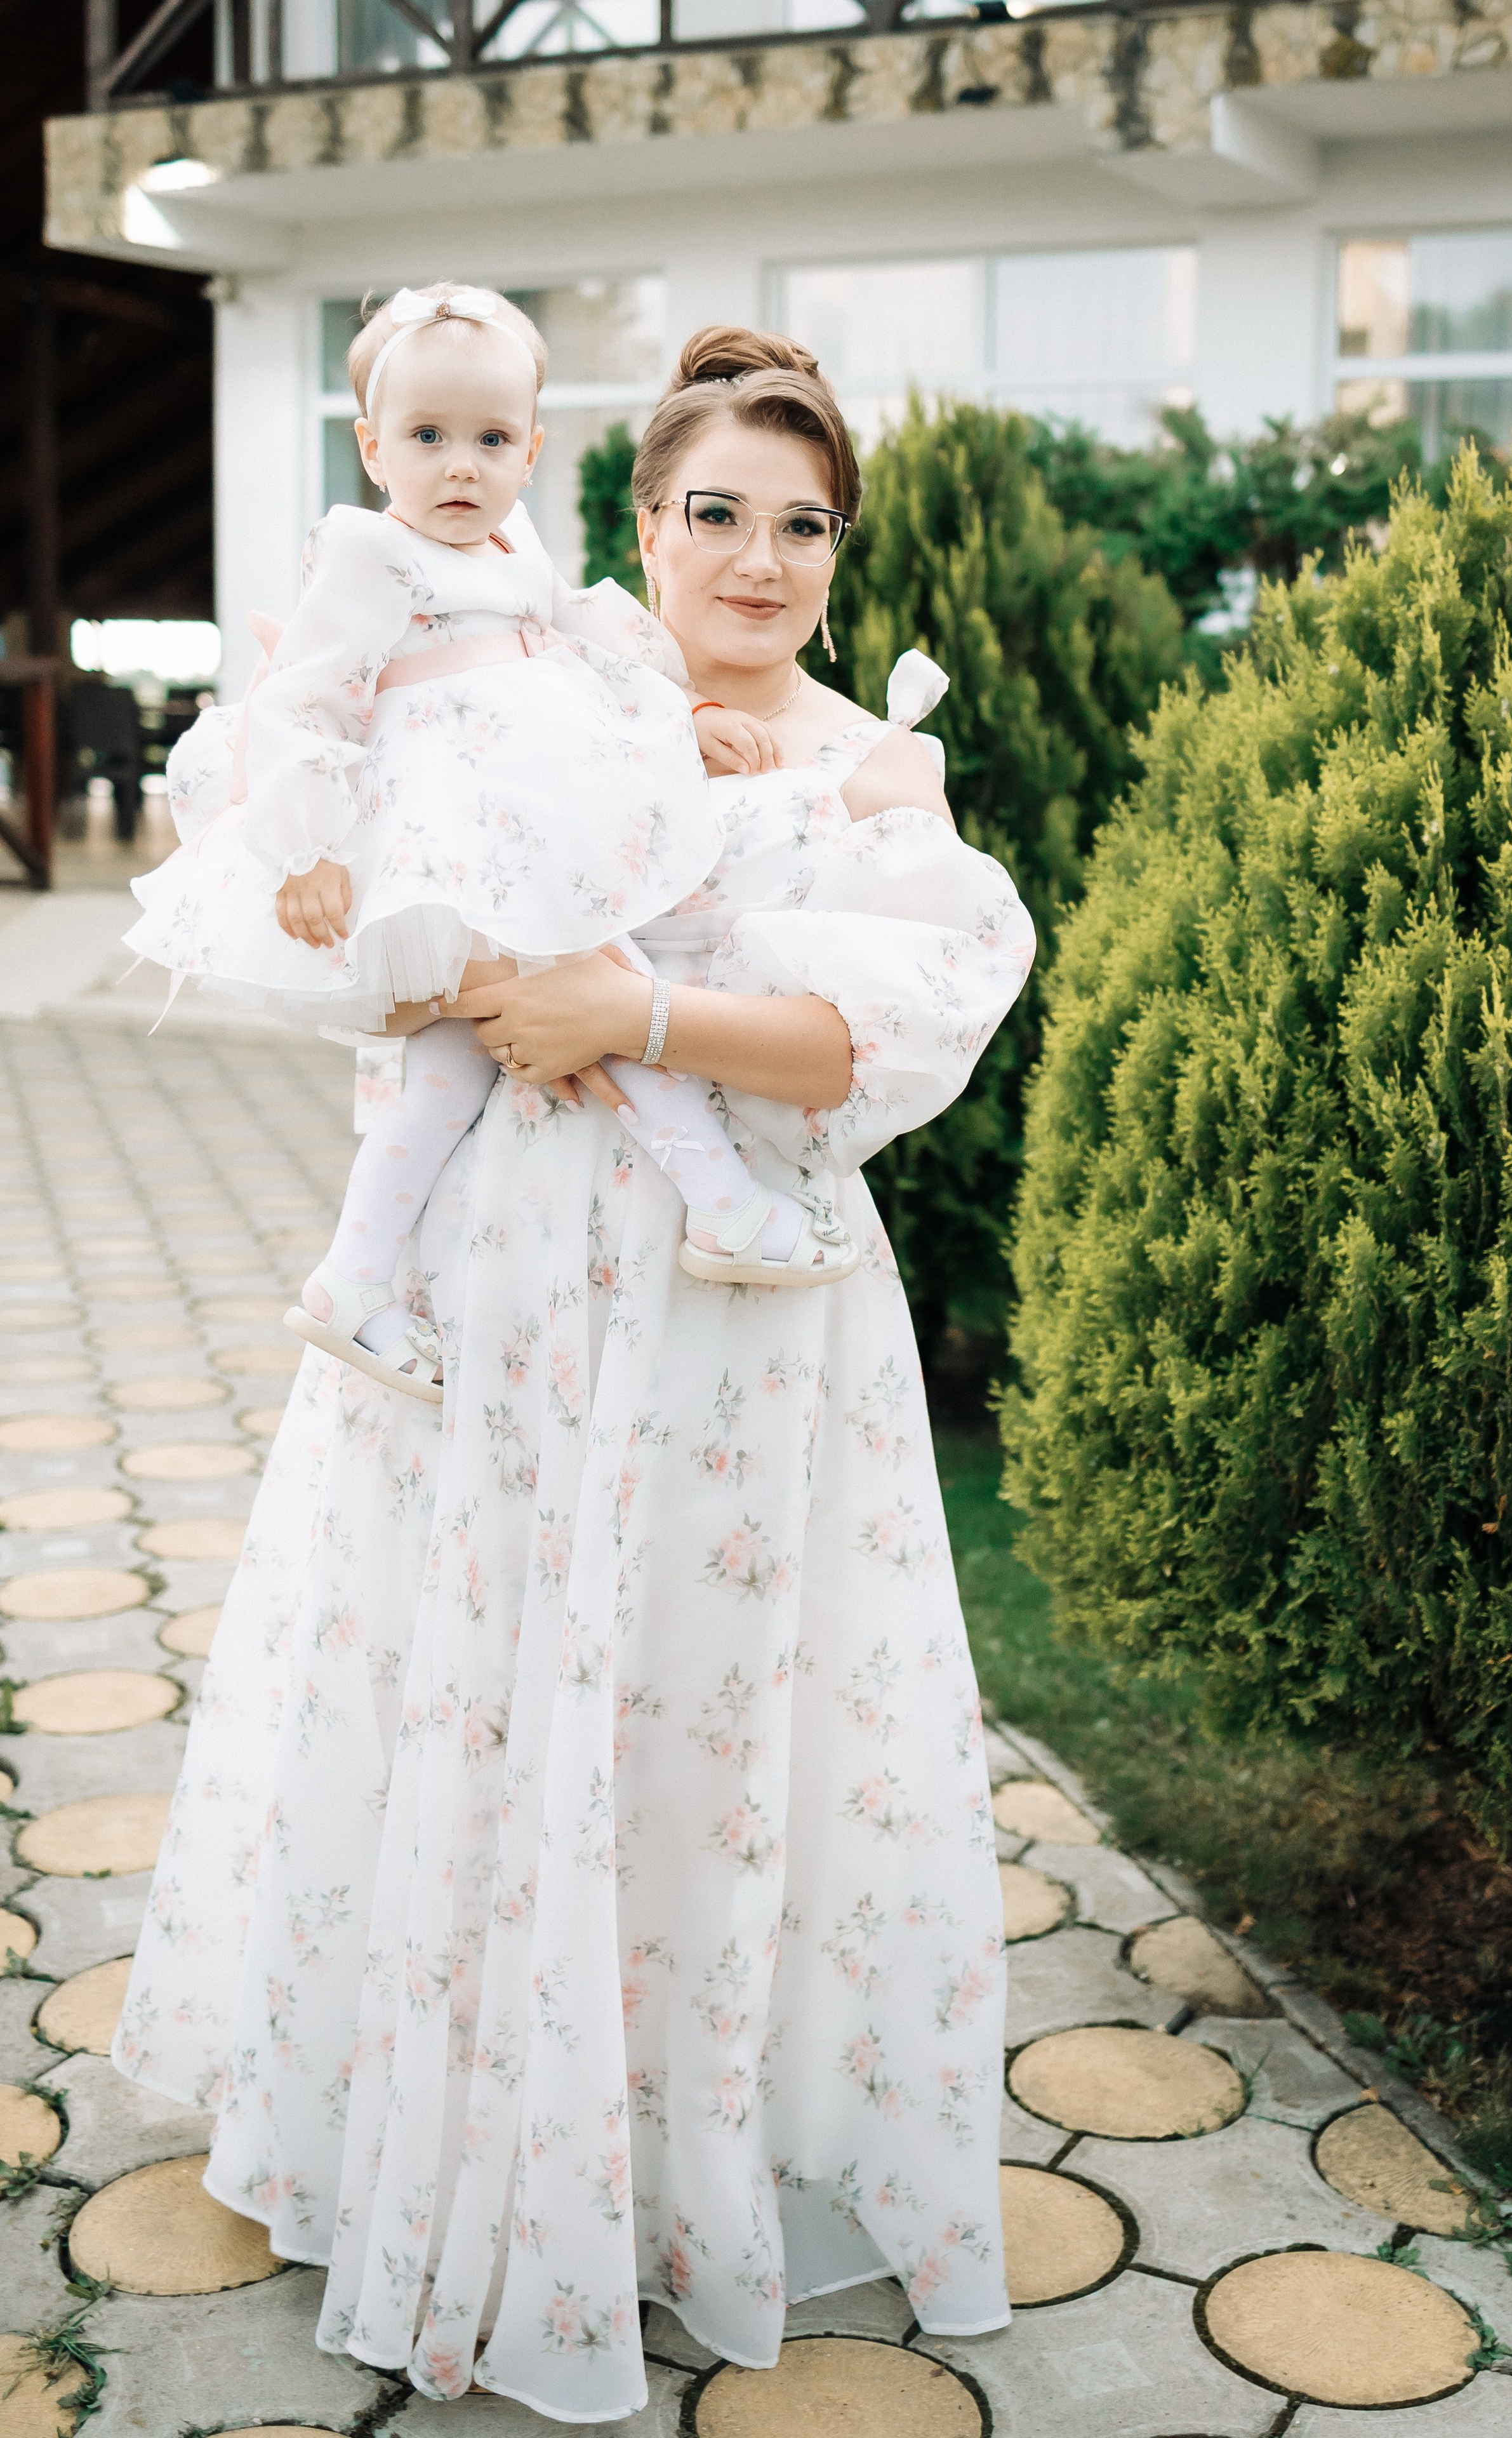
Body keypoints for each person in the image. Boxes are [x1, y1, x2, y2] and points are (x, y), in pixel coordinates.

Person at [114, 324, 1035, 2425]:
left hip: (739, 1332)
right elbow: (355, 868)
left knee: (692, 1734)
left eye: (802, 525)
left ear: (837, 551)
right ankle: (467, 2152)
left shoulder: (869, 763)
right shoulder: (549, 683)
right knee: (483, 1695)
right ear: (642, 525)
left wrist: (636, 1008)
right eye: (718, 512)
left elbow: (880, 1046)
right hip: (501, 1303)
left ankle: (659, 2169)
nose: (760, 559)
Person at [126, 288, 859, 1405]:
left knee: (481, 1048)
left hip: (511, 824)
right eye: (427, 438)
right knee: (589, 975)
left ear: (531, 452)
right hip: (441, 834)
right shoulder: (368, 555)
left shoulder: (515, 556)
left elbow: (600, 637)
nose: (459, 468)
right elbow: (296, 707)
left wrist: (687, 718)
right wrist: (307, 850)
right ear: (372, 449)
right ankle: (721, 1198)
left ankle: (358, 1272)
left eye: (490, 440)